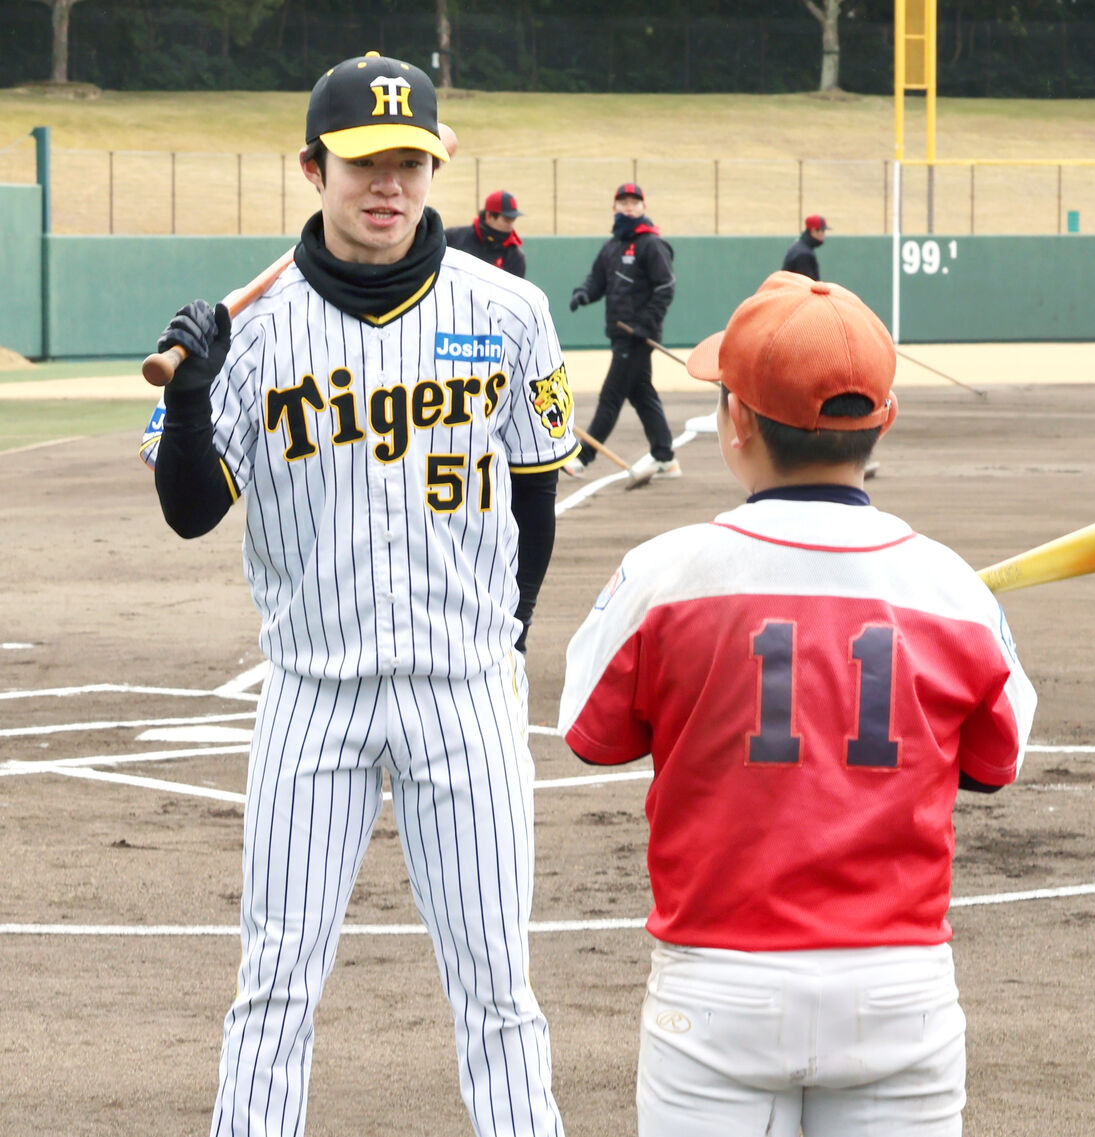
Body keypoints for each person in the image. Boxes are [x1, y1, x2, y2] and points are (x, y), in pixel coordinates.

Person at [141, 51, 574, 1137]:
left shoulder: (510, 311)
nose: (388, 184)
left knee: (496, 987)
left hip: (463, 689)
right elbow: (191, 510)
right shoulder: (256, 332)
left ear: (440, 167)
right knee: (276, 981)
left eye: (410, 162)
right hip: (310, 694)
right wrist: (194, 397)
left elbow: (534, 507)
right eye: (362, 163)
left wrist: (501, 644)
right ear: (311, 168)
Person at [558, 271, 1036, 1137]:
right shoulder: (953, 588)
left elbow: (593, 735)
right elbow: (995, 764)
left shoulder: (665, 573)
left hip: (717, 989)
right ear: (883, 420)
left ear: (736, 422)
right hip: (900, 992)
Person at [564, 182, 679, 479]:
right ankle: (665, 456)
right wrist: (583, 294)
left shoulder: (651, 244)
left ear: (644, 207)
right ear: (614, 207)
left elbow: (666, 287)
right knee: (641, 393)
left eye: (634, 202)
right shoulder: (612, 246)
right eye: (623, 202)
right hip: (620, 333)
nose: (629, 206)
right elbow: (597, 281)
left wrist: (647, 325)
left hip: (638, 336)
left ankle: (583, 456)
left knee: (611, 395)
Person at [445, 188, 527, 277]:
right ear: (489, 216)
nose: (510, 225)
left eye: (513, 220)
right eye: (506, 220)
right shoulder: (453, 237)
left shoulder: (515, 256)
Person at [782, 212, 829, 279]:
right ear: (813, 231)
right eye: (823, 231)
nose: (824, 235)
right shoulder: (804, 254)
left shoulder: (800, 246)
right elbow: (806, 285)